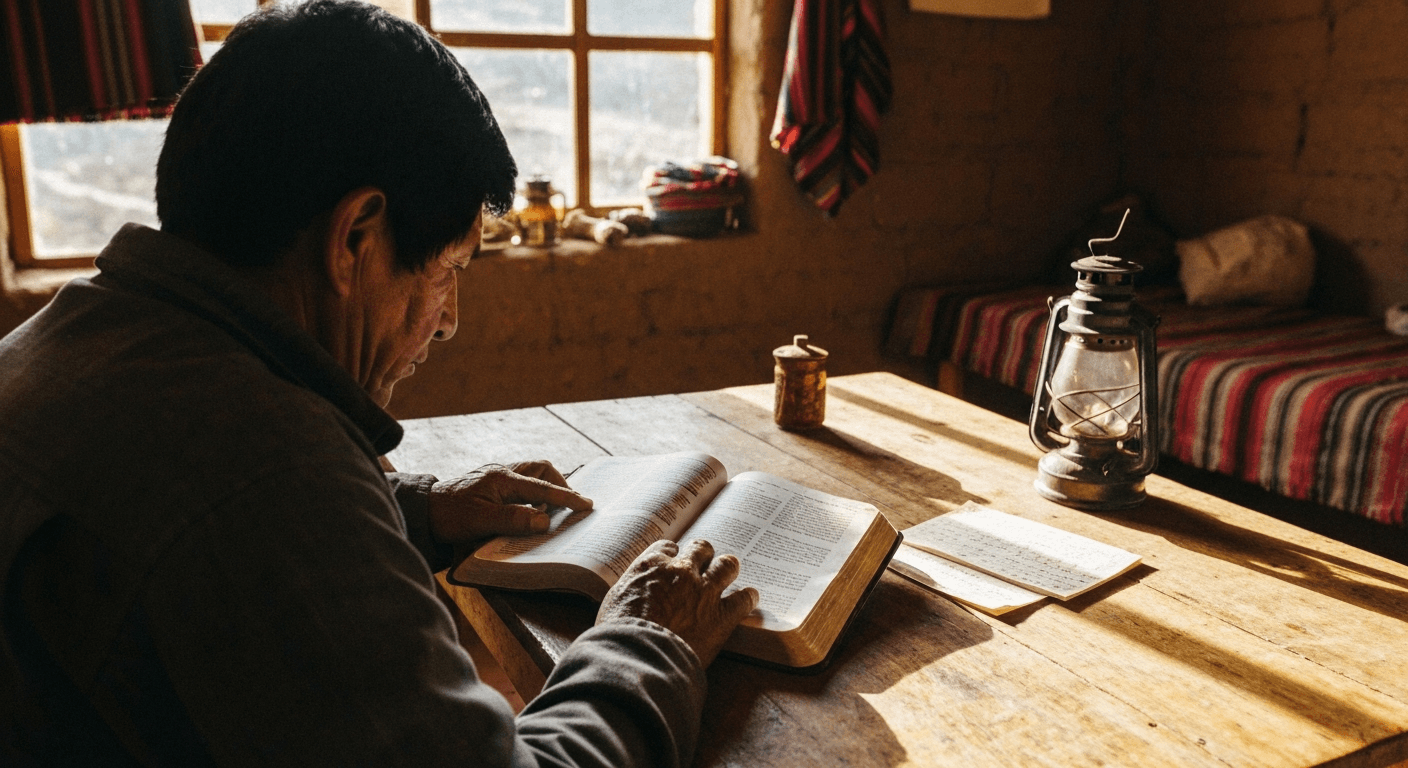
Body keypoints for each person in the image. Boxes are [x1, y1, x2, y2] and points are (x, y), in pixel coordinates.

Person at [0, 2, 757, 766]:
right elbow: (247, 509)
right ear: (356, 236)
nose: (450, 320)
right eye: (451, 270)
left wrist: (417, 509)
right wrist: (646, 644)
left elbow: (184, 515)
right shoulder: (267, 470)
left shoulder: (65, 343)